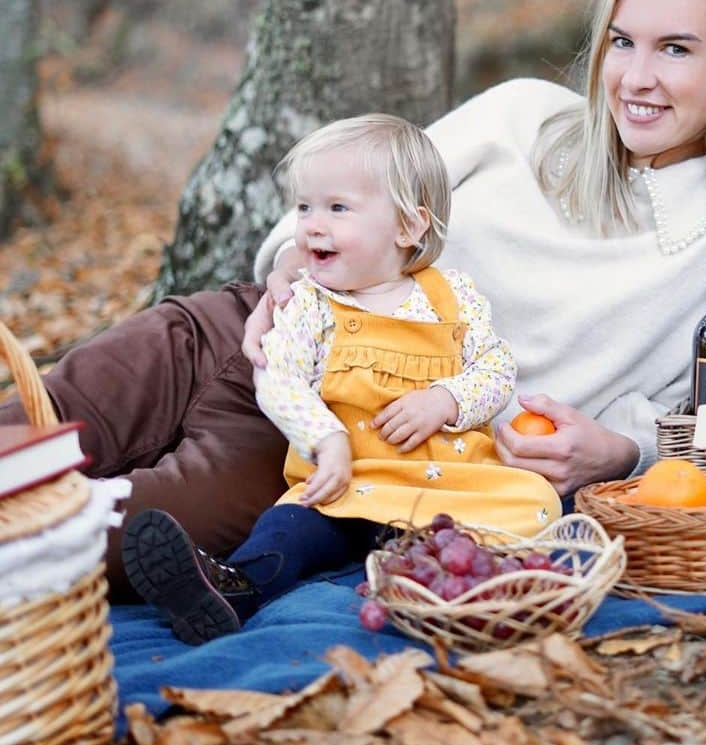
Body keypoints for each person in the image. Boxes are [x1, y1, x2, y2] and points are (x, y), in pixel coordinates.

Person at [0, 0, 706, 599]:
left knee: (73, 534)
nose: (635, 77)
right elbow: (344, 194)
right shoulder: (523, 117)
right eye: (621, 42)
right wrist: (288, 267)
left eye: (675, 49)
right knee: (26, 432)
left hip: (349, 450)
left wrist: (622, 450)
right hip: (236, 332)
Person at [120, 115, 560, 642]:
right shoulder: (310, 301)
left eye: (337, 208)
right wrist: (324, 439)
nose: (310, 225)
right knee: (288, 529)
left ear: (408, 227)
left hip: (449, 487)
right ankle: (227, 589)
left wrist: (445, 400)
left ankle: (477, 585)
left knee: (534, 500)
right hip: (348, 484)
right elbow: (278, 379)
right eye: (304, 207)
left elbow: (495, 368)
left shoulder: (453, 296)